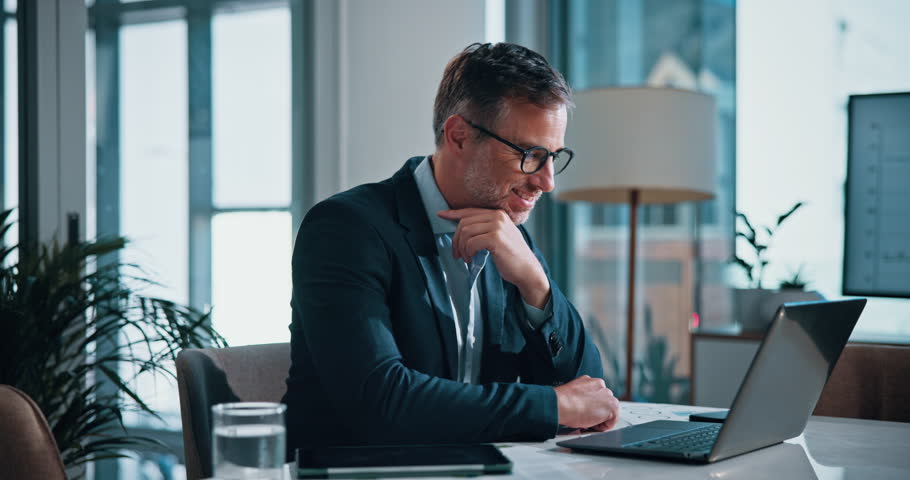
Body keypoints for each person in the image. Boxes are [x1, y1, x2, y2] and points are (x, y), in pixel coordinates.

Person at [282, 42, 620, 451]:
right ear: (459, 136)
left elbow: (587, 390)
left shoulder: (510, 237)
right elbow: (380, 403)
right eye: (531, 155)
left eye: (554, 156)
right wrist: (553, 406)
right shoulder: (347, 229)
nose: (547, 181)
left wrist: (536, 285)